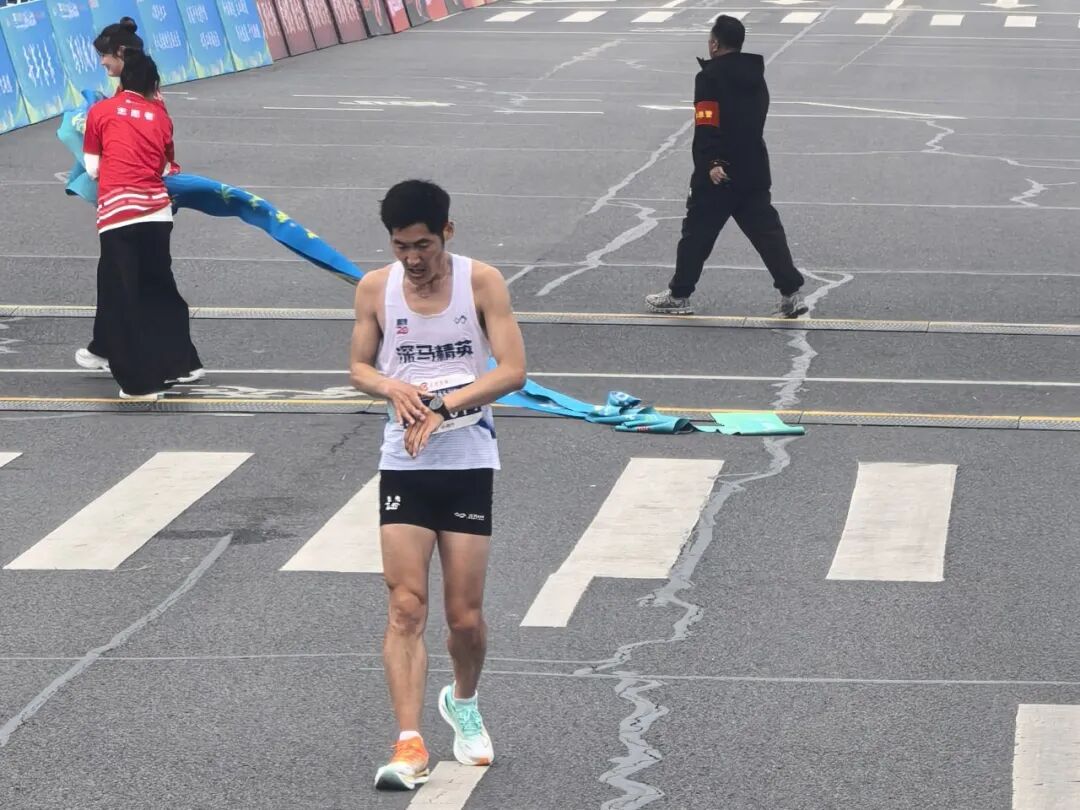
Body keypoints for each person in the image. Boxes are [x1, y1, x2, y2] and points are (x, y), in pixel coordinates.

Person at [349, 180, 527, 791]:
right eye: (400, 247)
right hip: (404, 463)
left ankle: (464, 701)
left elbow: (513, 370)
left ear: (446, 232)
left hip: (468, 461)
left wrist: (444, 406)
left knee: (464, 617)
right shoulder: (375, 289)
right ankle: (409, 742)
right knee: (405, 605)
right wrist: (390, 386)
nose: (412, 259)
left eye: (422, 245)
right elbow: (358, 366)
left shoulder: (482, 283)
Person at [646, 14, 808, 318]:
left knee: (696, 235)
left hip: (718, 173)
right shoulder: (755, 75)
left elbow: (706, 122)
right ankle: (791, 294)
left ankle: (679, 295)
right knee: (767, 234)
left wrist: (712, 161)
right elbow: (752, 121)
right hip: (753, 166)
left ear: (715, 44)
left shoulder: (710, 77)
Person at [81, 50, 203, 399]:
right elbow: (166, 168)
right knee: (156, 290)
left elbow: (92, 167)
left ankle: (138, 383)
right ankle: (175, 365)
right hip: (156, 214)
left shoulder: (101, 111)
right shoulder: (160, 116)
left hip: (118, 214)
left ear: (122, 79)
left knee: (122, 297)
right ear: (154, 84)